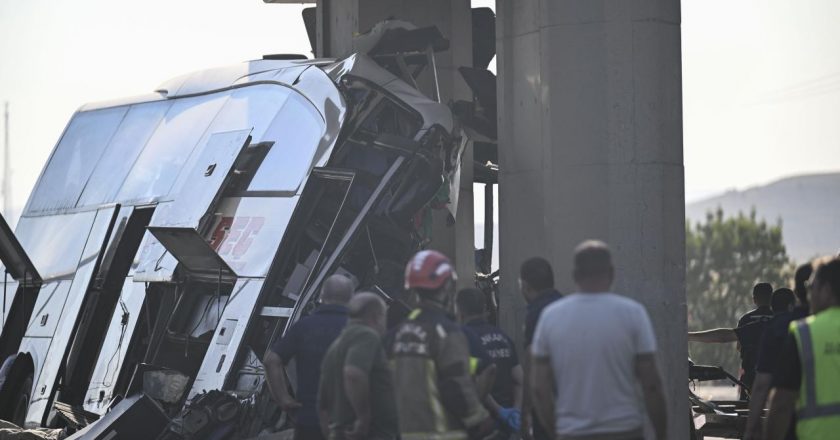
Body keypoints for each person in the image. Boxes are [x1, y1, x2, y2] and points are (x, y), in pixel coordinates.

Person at [530, 240, 667, 440]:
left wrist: (555, 431)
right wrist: (662, 434)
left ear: (575, 275)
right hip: (624, 431)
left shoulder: (550, 317)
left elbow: (539, 388)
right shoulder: (633, 314)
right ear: (611, 273)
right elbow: (651, 384)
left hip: (572, 432)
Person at [386, 250, 501, 440]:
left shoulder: (393, 336)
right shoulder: (446, 332)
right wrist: (480, 420)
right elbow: (456, 383)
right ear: (447, 287)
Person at [264, 275, 354, 440]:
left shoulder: (303, 327)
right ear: (351, 299)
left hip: (308, 420)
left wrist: (283, 399)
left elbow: (271, 361)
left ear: (321, 296)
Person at [765, 257, 840, 440]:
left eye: (811, 287)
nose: (807, 295)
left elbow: (781, 403)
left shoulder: (805, 333)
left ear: (827, 290)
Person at [744, 265, 813, 440]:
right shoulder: (823, 326)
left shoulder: (779, 328)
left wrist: (752, 428)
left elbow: (763, 386)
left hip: (796, 424)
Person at [318, 292, 397, 440]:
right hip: (371, 434)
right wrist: (363, 418)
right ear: (376, 316)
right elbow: (353, 374)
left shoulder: (336, 346)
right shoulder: (366, 335)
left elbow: (323, 404)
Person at [688, 282, 775, 396]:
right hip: (778, 380)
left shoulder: (747, 319)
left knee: (747, 409)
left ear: (754, 299)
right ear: (771, 298)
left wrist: (688, 336)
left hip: (750, 379)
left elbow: (735, 345)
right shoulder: (779, 320)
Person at [456, 288, 523, 433]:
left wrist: (498, 411)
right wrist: (515, 412)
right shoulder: (503, 337)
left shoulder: (462, 339)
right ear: (484, 309)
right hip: (505, 426)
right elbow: (519, 380)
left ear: (460, 311)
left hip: (480, 423)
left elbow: (474, 381)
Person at [518, 257, 563, 440]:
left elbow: (532, 360)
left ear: (526, 286)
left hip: (547, 401)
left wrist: (526, 409)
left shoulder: (536, 312)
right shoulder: (565, 304)